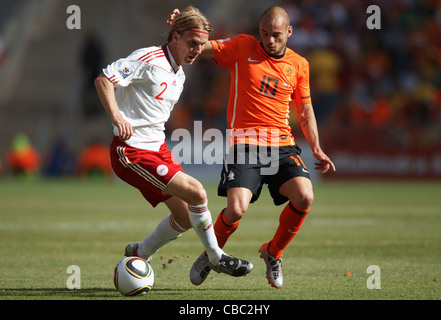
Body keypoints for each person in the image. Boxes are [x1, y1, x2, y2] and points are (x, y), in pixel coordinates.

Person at [167, 6, 335, 288]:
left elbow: (305, 110)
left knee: (305, 196)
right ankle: (212, 255)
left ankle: (273, 252)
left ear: (289, 33)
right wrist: (183, 33)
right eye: (265, 34)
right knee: (236, 209)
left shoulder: (299, 65)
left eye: (277, 35)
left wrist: (316, 147)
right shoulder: (242, 47)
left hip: (282, 145)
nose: (269, 40)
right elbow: (201, 47)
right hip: (244, 143)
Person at [94, 6, 253, 280]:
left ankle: (139, 252)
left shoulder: (179, 71)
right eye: (192, 43)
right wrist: (117, 116)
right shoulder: (148, 58)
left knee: (183, 219)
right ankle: (216, 257)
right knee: (198, 193)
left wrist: (184, 23)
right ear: (175, 37)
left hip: (158, 149)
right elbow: (104, 80)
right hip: (131, 151)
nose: (196, 50)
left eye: (201, 45)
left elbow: (196, 41)